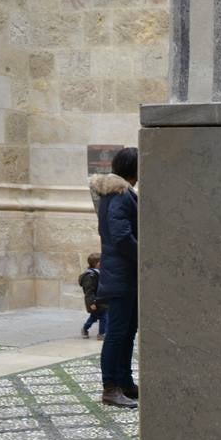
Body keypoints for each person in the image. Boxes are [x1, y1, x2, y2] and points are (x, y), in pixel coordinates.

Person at [93, 148, 139, 409]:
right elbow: (121, 237)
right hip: (122, 276)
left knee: (128, 332)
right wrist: (143, 257)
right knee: (117, 333)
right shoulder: (120, 196)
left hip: (126, 276)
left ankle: (125, 382)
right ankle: (110, 388)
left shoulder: (121, 194)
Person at [78, 253, 107, 340]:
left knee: (95, 317)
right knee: (103, 317)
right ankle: (101, 334)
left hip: (100, 300)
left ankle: (85, 328)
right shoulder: (90, 276)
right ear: (98, 264)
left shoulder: (98, 273)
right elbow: (89, 292)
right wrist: (92, 303)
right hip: (95, 301)